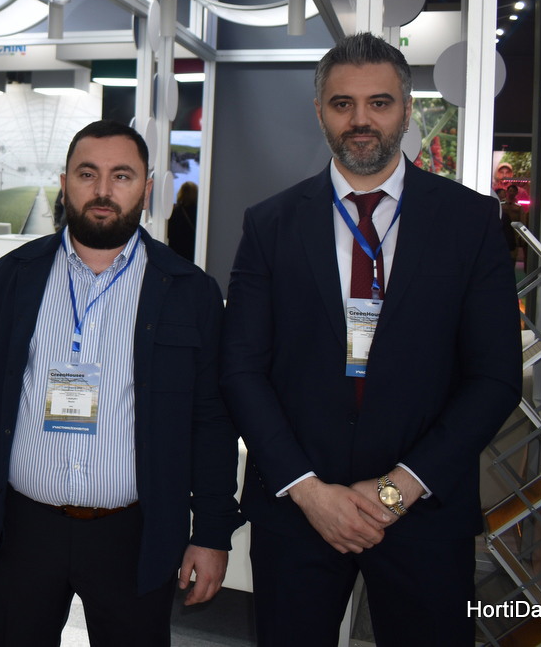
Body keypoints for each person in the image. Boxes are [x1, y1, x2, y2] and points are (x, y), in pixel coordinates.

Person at [220, 33, 522, 644]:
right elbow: (241, 369)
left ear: (407, 110)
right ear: (320, 112)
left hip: (423, 512)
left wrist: (395, 491)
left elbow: (494, 378)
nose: (361, 120)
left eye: (379, 103)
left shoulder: (469, 222)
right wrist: (310, 492)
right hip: (299, 512)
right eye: (343, 104)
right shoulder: (270, 224)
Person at [0, 120, 241, 647]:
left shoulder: (190, 292)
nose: (102, 190)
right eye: (87, 174)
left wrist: (212, 533)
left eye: (121, 176)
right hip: (25, 531)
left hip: (134, 534)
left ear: (147, 187)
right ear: (64, 183)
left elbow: (211, 421)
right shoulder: (16, 276)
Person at [166, 181, 198, 261]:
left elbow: (169, 234)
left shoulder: (174, 212)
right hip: (193, 255)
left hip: (175, 254)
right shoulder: (199, 214)